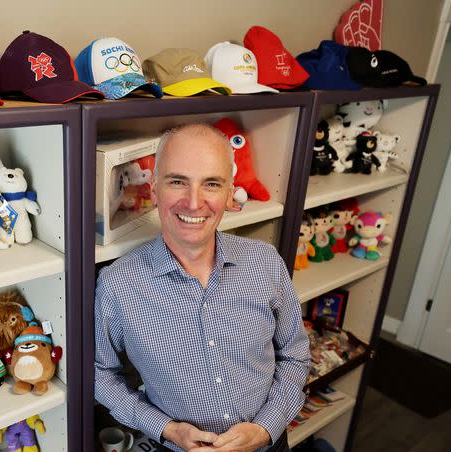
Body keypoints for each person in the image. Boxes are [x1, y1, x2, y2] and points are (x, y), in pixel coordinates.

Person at [95, 123, 310, 452]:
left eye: (211, 184)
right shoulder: (118, 285)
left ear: (229, 194)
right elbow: (100, 373)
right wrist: (165, 429)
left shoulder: (266, 262)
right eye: (178, 181)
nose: (194, 202)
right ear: (154, 190)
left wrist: (266, 428)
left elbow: (294, 357)